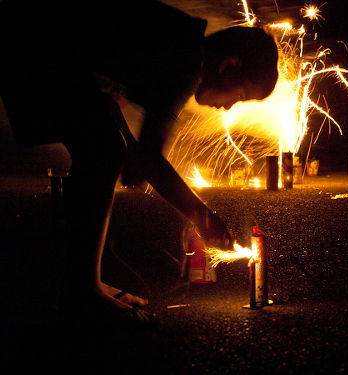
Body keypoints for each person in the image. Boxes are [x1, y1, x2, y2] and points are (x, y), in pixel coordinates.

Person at [0, 0, 279, 326]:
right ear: (228, 66)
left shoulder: (180, 43)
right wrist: (204, 218)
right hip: (34, 45)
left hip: (39, 41)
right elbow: (148, 159)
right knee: (102, 151)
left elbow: (131, 142)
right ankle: (82, 291)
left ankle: (86, 283)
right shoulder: (186, 62)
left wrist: (133, 154)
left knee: (104, 147)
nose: (230, 107)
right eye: (240, 95)